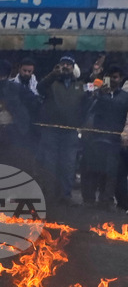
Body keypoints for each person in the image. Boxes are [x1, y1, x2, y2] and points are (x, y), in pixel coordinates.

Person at [36, 56, 87, 204]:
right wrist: (53, 74)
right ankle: (49, 195)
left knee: (69, 164)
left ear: (73, 67)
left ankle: (66, 195)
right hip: (51, 131)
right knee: (50, 163)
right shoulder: (51, 83)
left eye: (69, 65)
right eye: (63, 64)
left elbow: (86, 103)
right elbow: (39, 88)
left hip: (70, 132)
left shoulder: (80, 85)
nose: (65, 67)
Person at [81, 73, 128, 208]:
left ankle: (106, 201)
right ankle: (89, 200)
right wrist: (99, 94)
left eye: (117, 77)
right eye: (111, 77)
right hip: (94, 138)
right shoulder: (97, 92)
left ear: (120, 79)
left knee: (111, 173)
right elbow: (87, 108)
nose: (114, 79)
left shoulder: (124, 97)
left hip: (114, 140)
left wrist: (123, 135)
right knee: (91, 170)